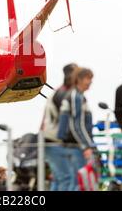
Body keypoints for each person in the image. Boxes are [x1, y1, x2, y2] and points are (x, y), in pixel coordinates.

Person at [41, 63, 78, 191]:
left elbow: (43, 120)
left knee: (58, 178)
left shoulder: (55, 93)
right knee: (67, 178)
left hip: (48, 138)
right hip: (58, 140)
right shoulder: (67, 94)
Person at [57, 67, 95, 191]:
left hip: (74, 145)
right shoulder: (76, 96)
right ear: (79, 79)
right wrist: (86, 145)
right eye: (87, 78)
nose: (90, 82)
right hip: (73, 146)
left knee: (74, 181)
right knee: (76, 182)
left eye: (91, 79)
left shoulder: (79, 96)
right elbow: (76, 125)